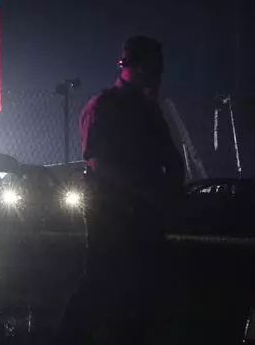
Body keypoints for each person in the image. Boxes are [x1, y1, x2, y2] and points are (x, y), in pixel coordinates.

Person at [55, 36, 185, 344]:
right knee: (104, 284)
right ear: (141, 67)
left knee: (130, 290)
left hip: (129, 211)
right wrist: (155, 196)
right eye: (156, 69)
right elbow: (104, 164)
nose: (160, 75)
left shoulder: (139, 108)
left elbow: (170, 161)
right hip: (115, 212)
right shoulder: (109, 107)